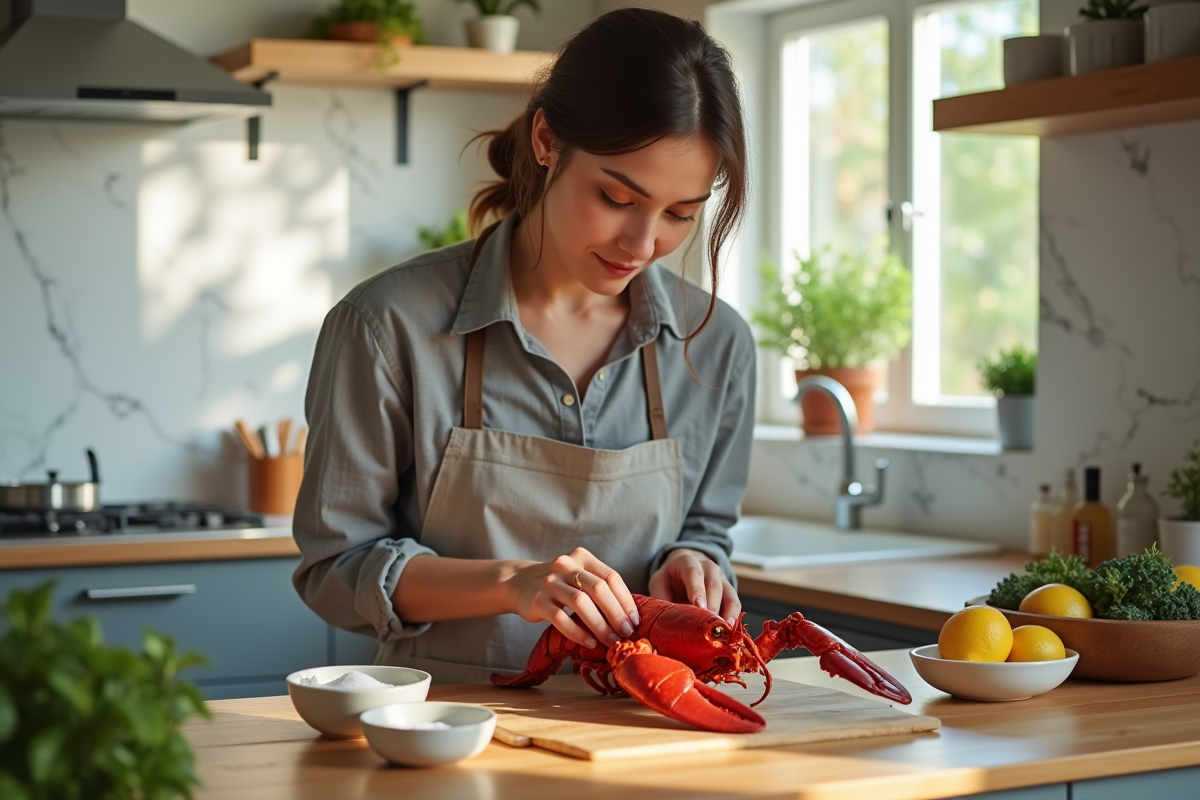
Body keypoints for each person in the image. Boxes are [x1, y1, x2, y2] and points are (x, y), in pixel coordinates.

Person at [292, 7, 755, 684]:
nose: (643, 243)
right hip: (447, 728)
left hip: (644, 728)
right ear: (546, 139)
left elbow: (705, 531)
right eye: (616, 195)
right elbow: (335, 572)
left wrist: (694, 563)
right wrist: (512, 582)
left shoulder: (716, 343)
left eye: (681, 214)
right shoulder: (386, 325)